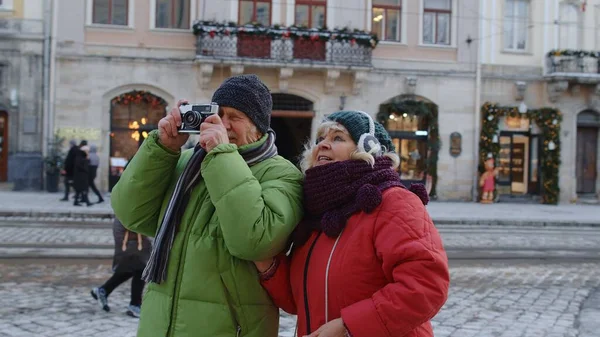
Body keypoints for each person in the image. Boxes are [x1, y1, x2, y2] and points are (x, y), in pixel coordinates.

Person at [110, 74, 304, 337]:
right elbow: (131, 214)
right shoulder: (188, 162)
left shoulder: (282, 173)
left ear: (258, 127)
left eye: (235, 117)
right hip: (160, 324)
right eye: (218, 113)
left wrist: (221, 155)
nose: (223, 124)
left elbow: (255, 240)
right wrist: (162, 149)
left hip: (229, 328)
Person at [254, 110, 450, 337]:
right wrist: (266, 262)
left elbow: (427, 286)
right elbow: (298, 301)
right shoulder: (316, 212)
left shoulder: (394, 201)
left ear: (367, 148)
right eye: (321, 139)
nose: (323, 145)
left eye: (337, 138)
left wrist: (349, 327)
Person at [91, 218, 151, 318]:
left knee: (133, 268)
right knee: (139, 269)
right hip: (130, 235)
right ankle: (134, 305)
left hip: (132, 234)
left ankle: (103, 290)